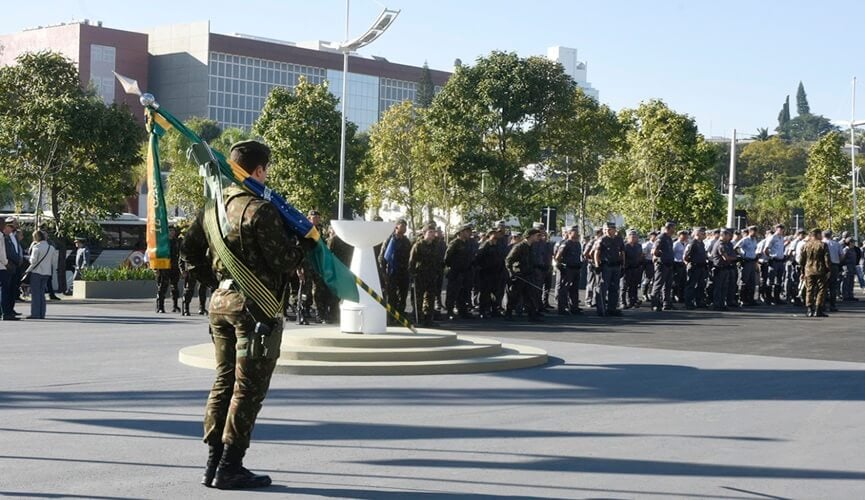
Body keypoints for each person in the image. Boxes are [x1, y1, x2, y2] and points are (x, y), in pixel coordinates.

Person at [181, 139, 307, 490]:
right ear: (259, 170)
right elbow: (282, 261)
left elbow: (188, 255)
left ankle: (213, 463)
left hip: (221, 303)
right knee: (247, 388)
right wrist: (304, 247)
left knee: (223, 381)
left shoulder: (211, 207)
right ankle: (230, 466)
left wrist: (220, 284)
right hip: (255, 308)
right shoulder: (259, 209)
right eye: (266, 170)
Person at [410, 224, 445, 326]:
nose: (432, 234)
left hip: (432, 275)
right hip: (420, 275)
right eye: (430, 232)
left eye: (433, 232)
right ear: (424, 233)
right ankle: (418, 319)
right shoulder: (418, 245)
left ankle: (429, 319)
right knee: (418, 298)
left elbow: (438, 260)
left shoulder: (436, 245)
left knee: (430, 297)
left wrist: (439, 271)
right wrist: (412, 274)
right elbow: (412, 261)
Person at [505, 227, 543, 322]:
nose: (539, 237)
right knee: (514, 295)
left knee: (530, 296)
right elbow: (508, 260)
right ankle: (508, 313)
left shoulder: (531, 246)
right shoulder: (519, 246)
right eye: (537, 235)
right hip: (519, 275)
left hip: (528, 274)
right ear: (530, 236)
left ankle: (532, 316)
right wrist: (512, 272)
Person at [379, 219, 412, 323]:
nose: (404, 228)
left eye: (405, 226)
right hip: (392, 272)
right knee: (392, 296)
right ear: (396, 227)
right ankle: (391, 317)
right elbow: (382, 257)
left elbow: (410, 257)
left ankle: (400, 316)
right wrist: (384, 273)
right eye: (402, 226)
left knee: (403, 295)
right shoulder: (389, 240)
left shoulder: (406, 241)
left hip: (403, 272)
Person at [593, 222, 625, 316]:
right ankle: (601, 309)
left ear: (614, 230)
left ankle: (612, 308)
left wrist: (623, 265)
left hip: (616, 266)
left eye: (610, 229)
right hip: (606, 266)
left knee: (614, 288)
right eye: (606, 229)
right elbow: (596, 253)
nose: (607, 231)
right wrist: (597, 265)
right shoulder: (602, 240)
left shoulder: (619, 239)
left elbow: (622, 252)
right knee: (603, 288)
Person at [444, 224, 474, 320]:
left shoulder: (468, 243)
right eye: (467, 231)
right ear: (461, 232)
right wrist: (453, 267)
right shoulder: (455, 243)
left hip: (465, 272)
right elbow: (447, 258)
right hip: (455, 272)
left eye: (470, 231)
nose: (469, 233)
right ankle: (450, 311)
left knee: (463, 292)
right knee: (452, 292)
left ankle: (462, 311)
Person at [799, 228, 831, 317]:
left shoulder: (805, 245)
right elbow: (827, 259)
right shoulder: (823, 245)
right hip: (820, 270)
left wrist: (802, 271)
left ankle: (809, 309)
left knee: (809, 289)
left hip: (808, 270)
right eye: (820, 234)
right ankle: (818, 309)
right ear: (817, 235)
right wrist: (828, 270)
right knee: (821, 289)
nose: (821, 236)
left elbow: (802, 260)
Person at [24, 230, 54, 319]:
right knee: (42, 294)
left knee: (35, 294)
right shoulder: (51, 248)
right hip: (47, 272)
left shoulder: (36, 247)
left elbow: (33, 261)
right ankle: (42, 313)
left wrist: (27, 262)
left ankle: (35, 313)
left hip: (37, 272)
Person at [475, 228, 505, 319]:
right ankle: (482, 311)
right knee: (485, 293)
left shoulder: (498, 245)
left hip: (496, 272)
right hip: (486, 273)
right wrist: (481, 268)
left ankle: (494, 310)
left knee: (496, 293)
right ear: (490, 235)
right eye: (494, 234)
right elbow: (478, 258)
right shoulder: (485, 245)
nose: (496, 235)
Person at [555, 225, 583, 314]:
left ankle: (574, 307)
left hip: (576, 269)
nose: (577, 233)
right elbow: (558, 256)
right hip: (568, 269)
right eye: (575, 231)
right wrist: (560, 266)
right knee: (564, 289)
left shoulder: (578, 243)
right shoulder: (566, 243)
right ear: (570, 233)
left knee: (574, 290)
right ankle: (562, 308)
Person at [651, 221, 676, 311]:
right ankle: (654, 304)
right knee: (658, 284)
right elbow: (655, 251)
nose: (674, 230)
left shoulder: (669, 238)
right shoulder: (661, 238)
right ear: (668, 228)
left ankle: (666, 303)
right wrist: (659, 256)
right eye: (673, 228)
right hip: (662, 264)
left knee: (668, 285)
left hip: (669, 264)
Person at [710, 228, 737, 310]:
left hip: (725, 268)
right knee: (719, 287)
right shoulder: (720, 244)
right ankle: (717, 304)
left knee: (724, 287)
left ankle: (721, 304)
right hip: (719, 268)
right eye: (728, 235)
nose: (730, 237)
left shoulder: (726, 244)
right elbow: (726, 258)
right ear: (724, 235)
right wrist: (735, 258)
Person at [735, 226, 758, 306]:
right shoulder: (745, 239)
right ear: (750, 231)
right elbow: (736, 247)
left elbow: (754, 249)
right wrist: (742, 255)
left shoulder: (754, 240)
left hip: (752, 261)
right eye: (753, 231)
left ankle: (751, 299)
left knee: (752, 281)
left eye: (756, 231)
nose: (755, 232)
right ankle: (742, 299)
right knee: (744, 281)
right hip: (747, 261)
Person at [840, 237, 859, 302]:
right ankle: (845, 296)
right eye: (853, 242)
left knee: (851, 283)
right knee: (846, 282)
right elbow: (842, 259)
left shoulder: (853, 250)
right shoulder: (846, 250)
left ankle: (850, 295)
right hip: (847, 268)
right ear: (850, 243)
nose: (854, 244)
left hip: (852, 268)